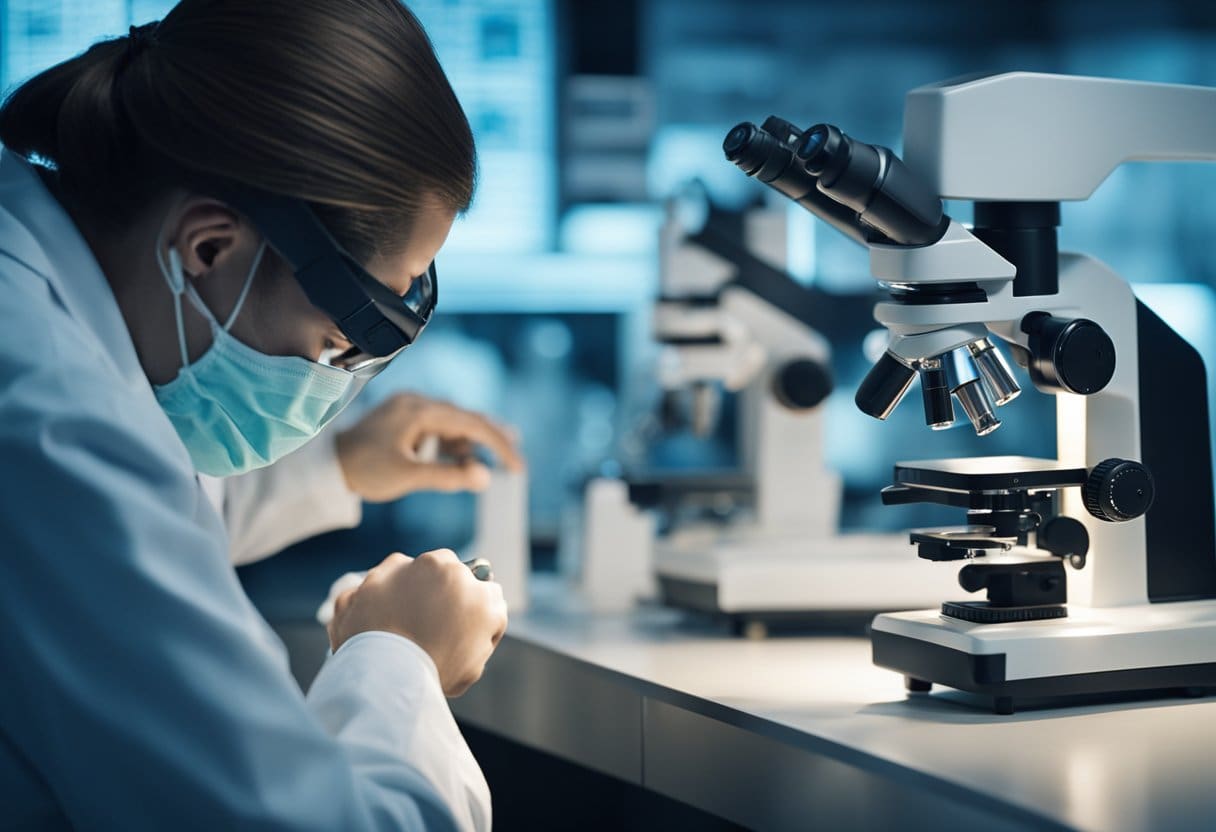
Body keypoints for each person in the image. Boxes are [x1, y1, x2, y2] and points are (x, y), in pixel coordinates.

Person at [0, 1, 519, 829]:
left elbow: (134, 529)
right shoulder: (51, 418)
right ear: (208, 247)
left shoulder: (36, 291)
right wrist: (398, 658)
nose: (329, 381)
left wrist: (337, 466)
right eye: (331, 346)